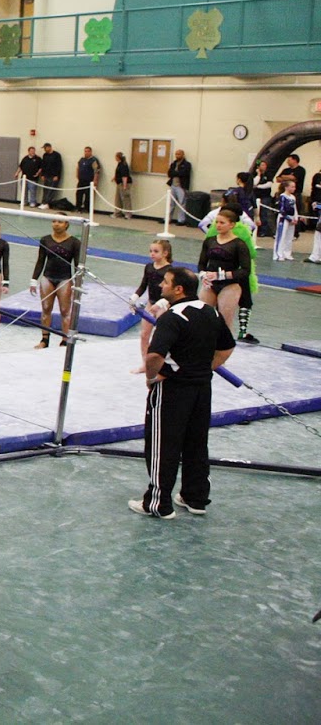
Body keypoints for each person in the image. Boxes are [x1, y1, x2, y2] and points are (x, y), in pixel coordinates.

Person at [130, 266, 235, 519]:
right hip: (201, 389)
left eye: (166, 283)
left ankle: (157, 503)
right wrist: (198, 368)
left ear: (178, 289)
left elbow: (154, 355)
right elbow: (227, 348)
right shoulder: (211, 312)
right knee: (196, 443)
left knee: (162, 445)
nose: (161, 286)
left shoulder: (172, 317)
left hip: (173, 391)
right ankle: (195, 497)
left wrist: (152, 377)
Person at [197, 207, 251, 340]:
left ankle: (222, 353)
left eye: (222, 223)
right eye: (217, 222)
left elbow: (245, 270)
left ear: (232, 225)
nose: (218, 225)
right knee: (202, 318)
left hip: (230, 285)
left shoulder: (239, 244)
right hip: (210, 283)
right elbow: (202, 264)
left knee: (224, 321)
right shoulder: (210, 241)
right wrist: (203, 275)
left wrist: (221, 275)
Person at [30, 216, 81, 348]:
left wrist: (76, 283)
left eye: (59, 222)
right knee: (46, 308)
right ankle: (45, 340)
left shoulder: (74, 242)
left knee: (65, 310)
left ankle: (65, 340)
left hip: (65, 278)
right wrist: (34, 280)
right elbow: (40, 260)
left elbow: (77, 265)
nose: (56, 224)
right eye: (54, 221)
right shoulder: (45, 240)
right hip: (48, 277)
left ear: (66, 224)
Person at [132, 239, 171, 374]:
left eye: (156, 251)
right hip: (151, 302)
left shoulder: (170, 270)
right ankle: (145, 364)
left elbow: (171, 292)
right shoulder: (149, 267)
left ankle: (161, 365)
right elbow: (144, 285)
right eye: (151, 251)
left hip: (164, 305)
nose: (152, 254)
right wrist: (134, 297)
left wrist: (160, 304)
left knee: (160, 337)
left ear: (165, 253)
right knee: (144, 335)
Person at [273, 178, 298, 262]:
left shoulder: (293, 197)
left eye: (294, 187)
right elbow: (282, 209)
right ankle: (278, 254)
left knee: (289, 237)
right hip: (283, 218)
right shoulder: (282, 196)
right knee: (281, 236)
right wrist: (288, 218)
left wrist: (295, 218)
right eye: (292, 187)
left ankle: (287, 253)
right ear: (286, 187)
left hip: (291, 218)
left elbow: (295, 208)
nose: (294, 188)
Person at [167, 149, 192, 224]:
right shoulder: (173, 163)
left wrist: (175, 173)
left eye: (179, 154)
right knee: (170, 203)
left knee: (182, 203)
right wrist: (176, 173)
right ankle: (168, 219)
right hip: (173, 185)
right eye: (176, 154)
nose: (177, 156)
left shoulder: (187, 164)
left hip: (181, 186)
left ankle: (181, 220)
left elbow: (183, 173)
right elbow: (169, 173)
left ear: (183, 155)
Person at [112, 152, 134, 218]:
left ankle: (128, 214)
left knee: (126, 198)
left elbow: (124, 176)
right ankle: (118, 213)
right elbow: (118, 173)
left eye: (116, 156)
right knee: (118, 198)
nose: (115, 158)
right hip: (119, 183)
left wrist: (124, 186)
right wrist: (114, 177)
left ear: (118, 157)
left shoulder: (123, 165)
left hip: (124, 183)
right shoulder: (119, 164)